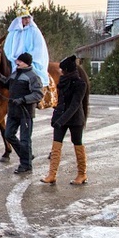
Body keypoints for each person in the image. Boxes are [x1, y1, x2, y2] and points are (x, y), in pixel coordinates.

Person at [41, 55, 88, 185]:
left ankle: (82, 174)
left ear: (67, 69)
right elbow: (59, 101)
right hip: (60, 117)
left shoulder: (80, 84)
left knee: (77, 143)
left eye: (62, 69)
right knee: (56, 145)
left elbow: (75, 105)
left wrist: (62, 120)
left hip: (75, 119)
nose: (60, 71)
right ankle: (52, 174)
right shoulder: (61, 82)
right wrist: (55, 117)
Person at [0, 52, 44, 174]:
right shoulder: (15, 73)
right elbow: (7, 83)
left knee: (25, 139)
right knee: (8, 134)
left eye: (19, 61)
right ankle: (26, 156)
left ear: (26, 63)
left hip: (25, 113)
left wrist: (23, 100)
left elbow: (38, 94)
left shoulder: (33, 76)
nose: (17, 62)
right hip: (13, 111)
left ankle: (26, 165)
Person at [3, 6, 50, 86]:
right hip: (14, 61)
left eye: (28, 18)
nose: (27, 20)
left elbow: (39, 48)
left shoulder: (34, 31)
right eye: (24, 18)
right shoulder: (12, 33)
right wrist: (13, 58)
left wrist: (25, 59)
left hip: (30, 61)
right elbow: (7, 49)